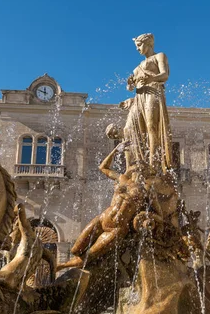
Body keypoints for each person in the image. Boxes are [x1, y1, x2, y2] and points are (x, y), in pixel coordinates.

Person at [56, 142, 151, 270]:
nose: (137, 170)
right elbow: (103, 167)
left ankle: (61, 266)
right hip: (102, 219)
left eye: (142, 168)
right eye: (136, 167)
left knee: (89, 256)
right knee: (75, 249)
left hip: (116, 230)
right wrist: (115, 151)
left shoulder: (147, 192)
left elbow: (156, 212)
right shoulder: (122, 179)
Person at [121, 33, 173, 173]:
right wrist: (130, 84)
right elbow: (132, 87)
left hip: (153, 92)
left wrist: (151, 77)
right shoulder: (137, 68)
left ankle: (152, 164)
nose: (137, 49)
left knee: (151, 126)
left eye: (139, 45)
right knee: (128, 129)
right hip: (139, 97)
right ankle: (132, 166)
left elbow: (165, 75)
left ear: (148, 43)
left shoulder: (159, 56)